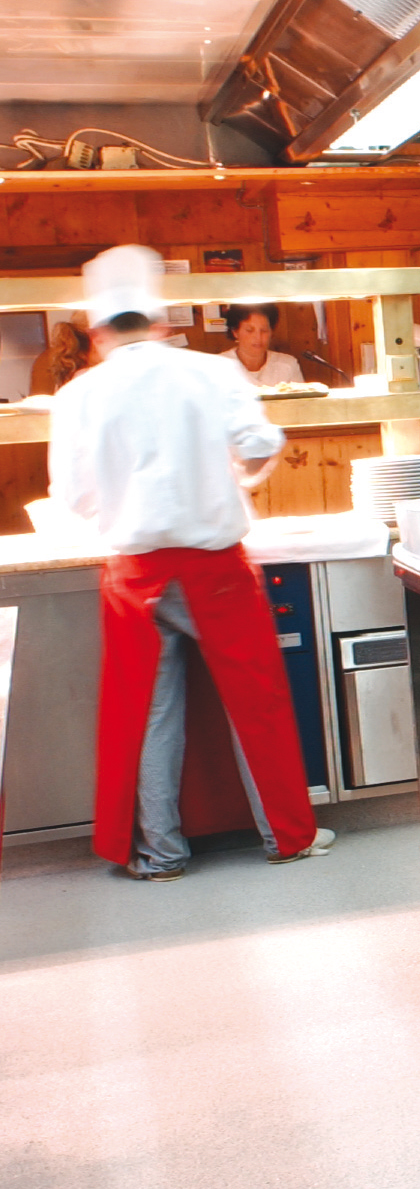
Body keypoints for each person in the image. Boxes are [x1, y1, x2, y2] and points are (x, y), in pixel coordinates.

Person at [48, 244, 334, 879]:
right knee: (254, 704)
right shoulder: (209, 373)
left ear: (97, 333)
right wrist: (239, 477)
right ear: (160, 323)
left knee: (148, 715)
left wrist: (118, 505)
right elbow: (262, 443)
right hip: (218, 567)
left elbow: (73, 497)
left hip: (136, 574)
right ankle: (286, 837)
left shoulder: (80, 394)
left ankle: (161, 854)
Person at [220, 300, 307, 387]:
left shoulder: (288, 364)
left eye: (264, 330)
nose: (258, 337)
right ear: (235, 332)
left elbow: (301, 399)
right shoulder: (218, 365)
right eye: (249, 330)